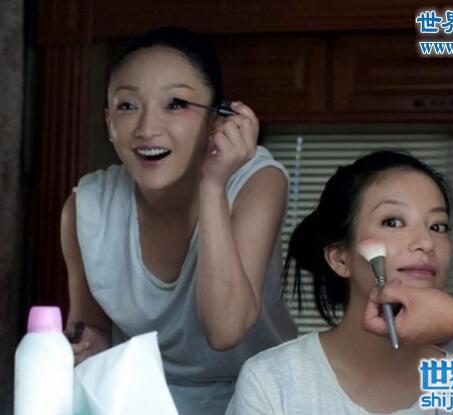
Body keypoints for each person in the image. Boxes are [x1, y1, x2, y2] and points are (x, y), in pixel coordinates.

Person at [60, 26, 296, 415]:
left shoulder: (258, 182)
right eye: (127, 105)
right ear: (109, 122)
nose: (147, 129)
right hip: (142, 400)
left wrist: (212, 184)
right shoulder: (86, 208)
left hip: (260, 397)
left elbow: (225, 330)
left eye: (175, 104)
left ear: (216, 119)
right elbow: (93, 330)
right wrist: (79, 348)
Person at [226, 150, 453, 414]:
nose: (426, 242)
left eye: (437, 226)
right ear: (340, 259)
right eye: (393, 222)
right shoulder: (270, 382)